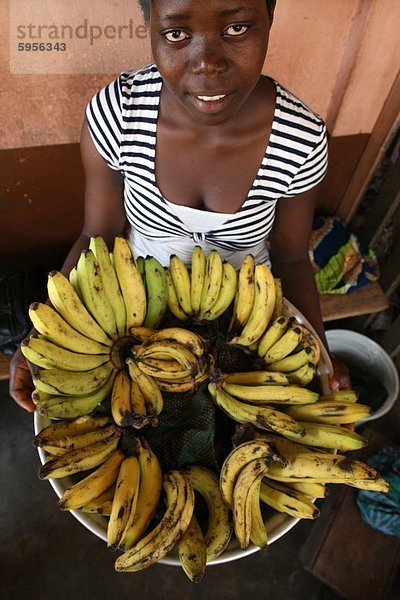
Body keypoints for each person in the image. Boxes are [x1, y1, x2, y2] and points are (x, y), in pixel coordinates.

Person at [10, 0, 350, 412]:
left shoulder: (300, 139)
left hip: (245, 317)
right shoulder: (119, 115)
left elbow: (293, 259)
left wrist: (321, 359)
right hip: (135, 308)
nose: (207, 63)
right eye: (176, 34)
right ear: (149, 26)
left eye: (237, 29)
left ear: (270, 16)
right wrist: (45, 337)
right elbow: (96, 235)